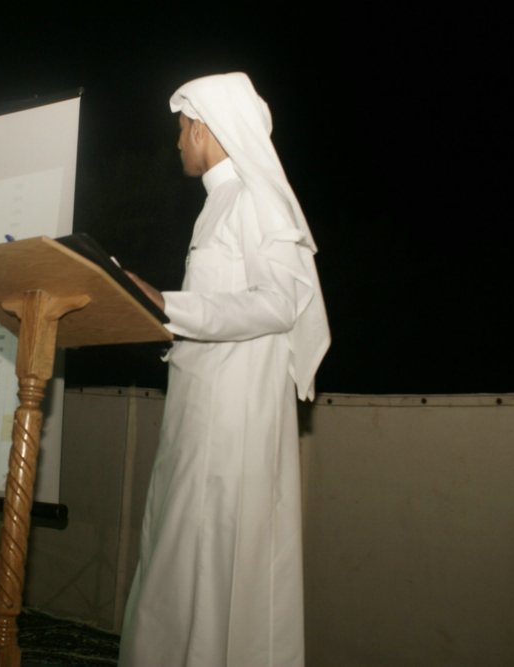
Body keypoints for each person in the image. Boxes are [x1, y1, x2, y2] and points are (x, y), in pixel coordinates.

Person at [119, 73, 330, 667]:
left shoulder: (254, 199)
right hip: (197, 423)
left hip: (230, 432)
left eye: (181, 129)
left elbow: (279, 303)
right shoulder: (220, 204)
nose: (177, 143)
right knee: (179, 569)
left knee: (214, 570)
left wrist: (167, 304)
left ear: (202, 128)